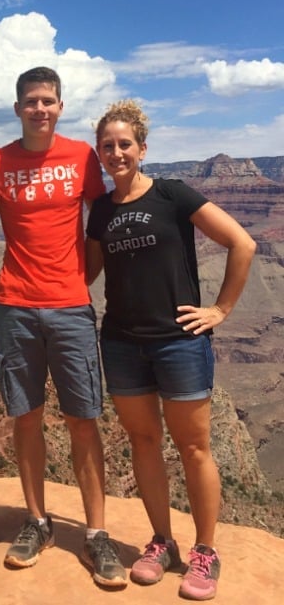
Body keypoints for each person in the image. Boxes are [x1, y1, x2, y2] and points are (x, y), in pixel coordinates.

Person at [86, 99, 256, 602]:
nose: (116, 152)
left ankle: (205, 551)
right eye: (107, 145)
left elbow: (242, 244)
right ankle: (161, 541)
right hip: (121, 341)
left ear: (142, 148)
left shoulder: (172, 194)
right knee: (143, 443)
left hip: (179, 342)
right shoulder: (101, 210)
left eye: (124, 144)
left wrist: (220, 311)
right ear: (99, 151)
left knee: (194, 447)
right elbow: (89, 273)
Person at [0, 66, 127, 588]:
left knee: (83, 419)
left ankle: (96, 533)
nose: (40, 108)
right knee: (26, 417)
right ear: (17, 108)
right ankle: (37, 521)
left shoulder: (81, 156)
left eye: (49, 100)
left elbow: (103, 220)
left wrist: (81, 280)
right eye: (31, 101)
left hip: (70, 307)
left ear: (60, 107)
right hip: (14, 306)